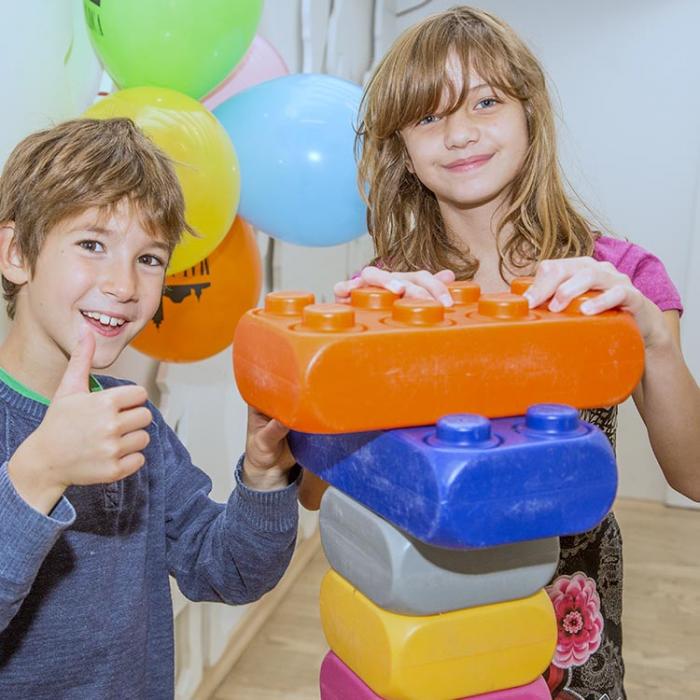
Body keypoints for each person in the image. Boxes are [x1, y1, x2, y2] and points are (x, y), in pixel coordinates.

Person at [332, 7, 700, 700]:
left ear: (531, 114)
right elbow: (325, 494)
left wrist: (649, 334)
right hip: (424, 623)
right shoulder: (383, 296)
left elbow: (695, 475)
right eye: (428, 116)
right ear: (401, 147)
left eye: (487, 101)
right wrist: (360, 352)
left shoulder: (621, 277)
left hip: (566, 633)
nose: (461, 132)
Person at [0, 118, 300, 699]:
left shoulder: (135, 423)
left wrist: (265, 476)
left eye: (150, 258)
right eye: (92, 245)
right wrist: (41, 472)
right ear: (16, 252)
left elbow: (227, 569)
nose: (124, 284)